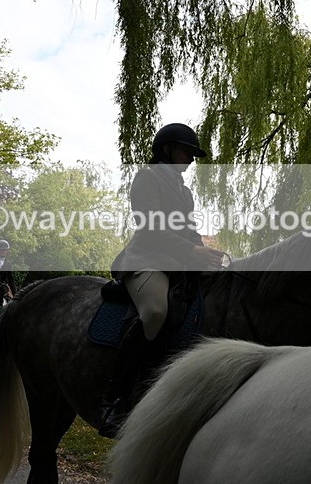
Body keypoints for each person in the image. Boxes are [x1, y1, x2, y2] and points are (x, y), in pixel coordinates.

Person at [98, 122, 224, 438]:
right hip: (146, 261)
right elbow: (152, 228)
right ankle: (115, 397)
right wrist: (190, 250)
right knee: (155, 312)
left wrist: (205, 252)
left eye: (195, 154)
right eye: (187, 151)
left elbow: (188, 229)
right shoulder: (147, 178)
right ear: (167, 149)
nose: (192, 159)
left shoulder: (185, 191)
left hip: (178, 264)